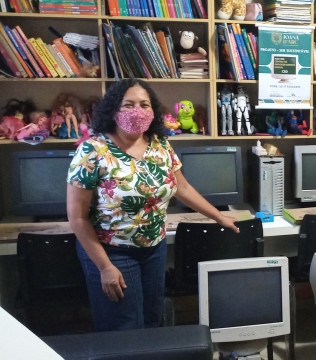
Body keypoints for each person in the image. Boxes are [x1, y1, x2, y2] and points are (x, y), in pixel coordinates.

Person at [66, 79, 239, 332]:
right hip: (112, 252)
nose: (138, 111)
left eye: (144, 104)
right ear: (114, 109)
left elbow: (183, 188)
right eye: (128, 104)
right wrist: (104, 267)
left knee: (152, 320)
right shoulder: (92, 151)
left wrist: (219, 217)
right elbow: (77, 218)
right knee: (124, 328)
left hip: (153, 250)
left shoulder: (160, 145)